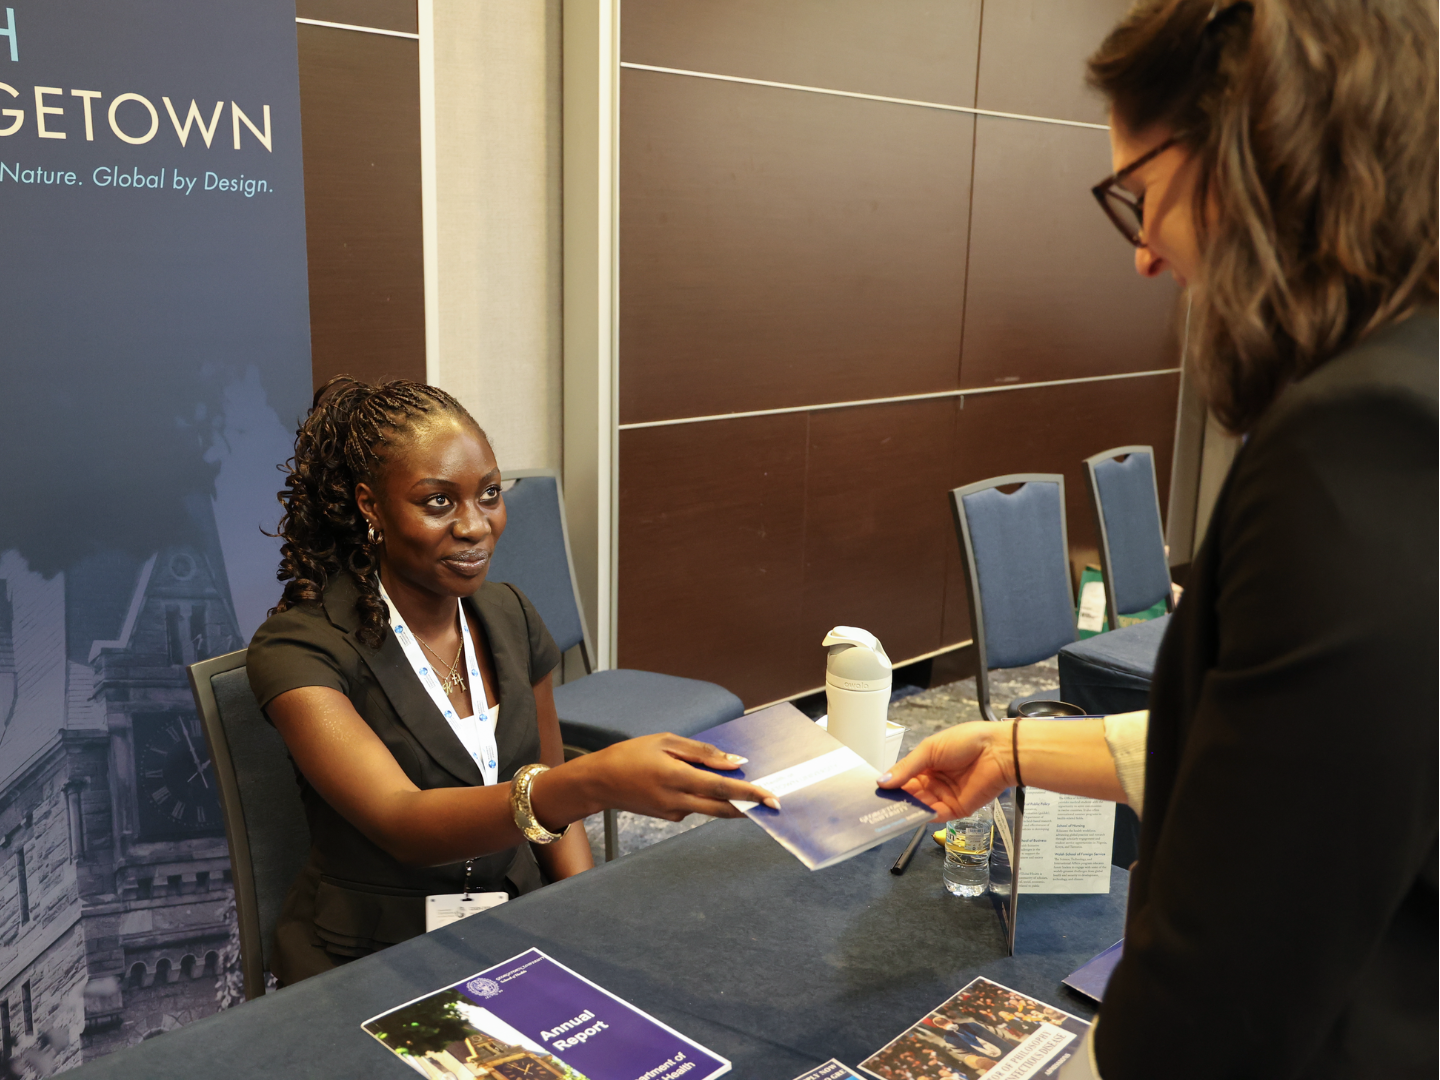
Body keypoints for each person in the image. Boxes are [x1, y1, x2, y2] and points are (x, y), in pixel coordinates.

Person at [881, 1, 1437, 1077]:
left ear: (1247, 149)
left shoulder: (1362, 437)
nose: (1142, 254)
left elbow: (1226, 995)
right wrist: (1009, 747)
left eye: (1140, 194)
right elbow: (1292, 762)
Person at [247, 377, 776, 985]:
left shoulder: (509, 614)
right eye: (438, 501)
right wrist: (593, 780)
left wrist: (586, 911)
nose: (476, 526)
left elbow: (554, 800)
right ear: (371, 505)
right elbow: (403, 822)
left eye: (489, 494)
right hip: (373, 955)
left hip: (511, 921)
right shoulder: (300, 648)